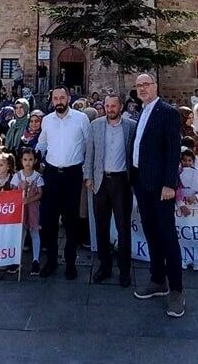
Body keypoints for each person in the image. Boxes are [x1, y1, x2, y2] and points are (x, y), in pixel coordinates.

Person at [129, 73, 185, 318]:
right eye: (138, 85)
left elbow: (173, 151)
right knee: (151, 232)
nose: (142, 88)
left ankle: (176, 290)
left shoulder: (167, 112)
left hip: (162, 187)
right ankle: (157, 279)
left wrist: (169, 184)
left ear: (155, 86)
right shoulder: (142, 111)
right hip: (143, 184)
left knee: (167, 236)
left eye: (146, 84)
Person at [37, 86, 91, 280]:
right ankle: (51, 261)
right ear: (52, 100)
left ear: (68, 98)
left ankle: (70, 262)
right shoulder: (47, 120)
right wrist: (34, 156)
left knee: (71, 221)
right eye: (55, 98)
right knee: (50, 220)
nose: (59, 101)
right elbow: (42, 144)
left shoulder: (81, 119)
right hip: (51, 175)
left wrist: (87, 171)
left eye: (62, 97)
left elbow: (88, 144)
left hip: (72, 175)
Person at [84, 94, 137, 287]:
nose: (110, 109)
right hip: (101, 181)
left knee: (123, 228)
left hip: (122, 181)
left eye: (113, 106)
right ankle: (104, 266)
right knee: (101, 226)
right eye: (107, 106)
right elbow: (90, 152)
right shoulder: (96, 125)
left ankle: (124, 270)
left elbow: (134, 153)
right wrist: (88, 176)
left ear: (120, 107)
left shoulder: (130, 126)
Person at [14, 148, 44, 275]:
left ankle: (35, 260)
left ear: (35, 160)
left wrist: (30, 198)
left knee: (34, 231)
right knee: (21, 233)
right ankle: (17, 260)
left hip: (33, 208)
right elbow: (13, 191)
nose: (28, 163)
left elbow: (40, 194)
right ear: (21, 161)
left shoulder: (37, 177)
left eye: (30, 160)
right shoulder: (18, 176)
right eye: (25, 160)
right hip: (21, 208)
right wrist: (21, 191)